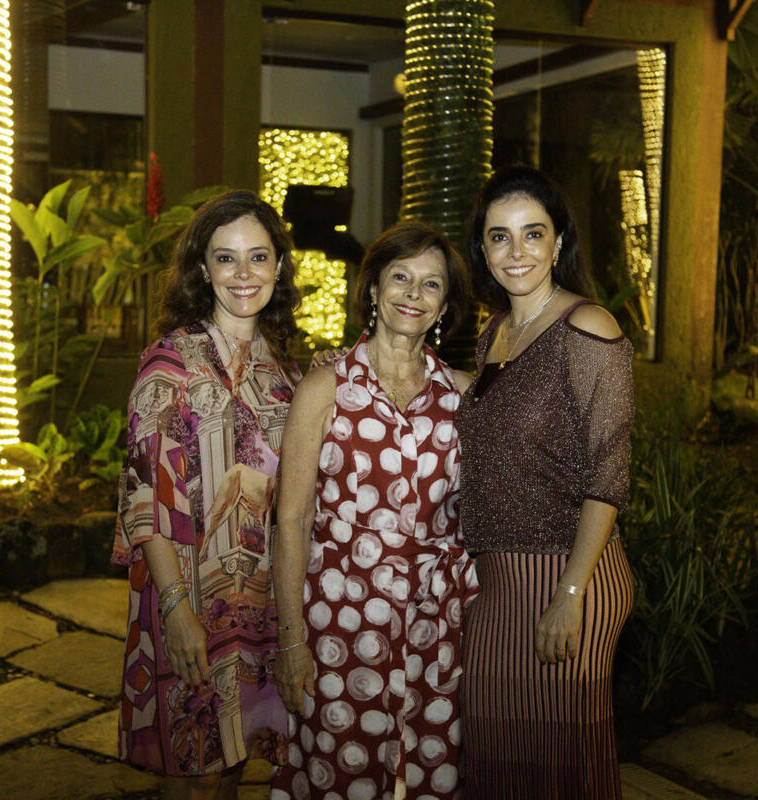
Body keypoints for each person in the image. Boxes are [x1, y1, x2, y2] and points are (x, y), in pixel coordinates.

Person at [270, 221, 478, 800]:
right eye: (401, 277)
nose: (414, 294)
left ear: (444, 306)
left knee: (430, 772)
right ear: (373, 289)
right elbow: (291, 520)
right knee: (339, 770)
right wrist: (290, 641)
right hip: (339, 622)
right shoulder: (325, 387)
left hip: (437, 629)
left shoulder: (462, 395)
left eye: (431, 284)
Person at [112, 190, 302, 800]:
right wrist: (175, 609)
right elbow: (145, 494)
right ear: (202, 268)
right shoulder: (171, 363)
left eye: (258, 257)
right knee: (193, 771)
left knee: (233, 767)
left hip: (262, 599)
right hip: (190, 594)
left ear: (278, 265)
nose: (244, 274)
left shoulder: (286, 369)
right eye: (226, 258)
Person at [455, 165, 636, 799]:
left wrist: (571, 592)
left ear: (559, 242)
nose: (517, 251)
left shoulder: (589, 328)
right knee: (495, 761)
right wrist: (366, 365)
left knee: (560, 768)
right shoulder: (495, 334)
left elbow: (609, 472)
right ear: (483, 250)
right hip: (497, 584)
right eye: (499, 237)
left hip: (568, 573)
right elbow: (491, 404)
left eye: (533, 233)